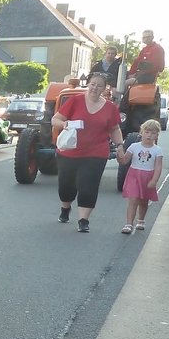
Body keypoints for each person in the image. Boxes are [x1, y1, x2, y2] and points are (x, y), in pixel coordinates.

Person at [52, 72, 124, 233]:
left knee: (89, 185)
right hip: (69, 151)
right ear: (88, 84)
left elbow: (115, 129)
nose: (95, 88)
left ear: (105, 88)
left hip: (96, 153)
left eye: (99, 86)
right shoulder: (75, 100)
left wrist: (120, 145)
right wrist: (64, 124)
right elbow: (55, 119)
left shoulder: (110, 108)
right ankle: (65, 208)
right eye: (92, 84)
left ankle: (83, 220)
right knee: (66, 185)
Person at [116, 118, 163, 234]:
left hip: (147, 177)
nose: (149, 135)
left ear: (157, 135)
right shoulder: (134, 147)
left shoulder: (157, 150)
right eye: (147, 132)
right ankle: (128, 224)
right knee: (133, 199)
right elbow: (124, 161)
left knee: (143, 200)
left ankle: (141, 220)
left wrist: (154, 180)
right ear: (141, 133)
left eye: (153, 133)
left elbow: (158, 166)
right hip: (134, 175)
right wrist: (119, 156)